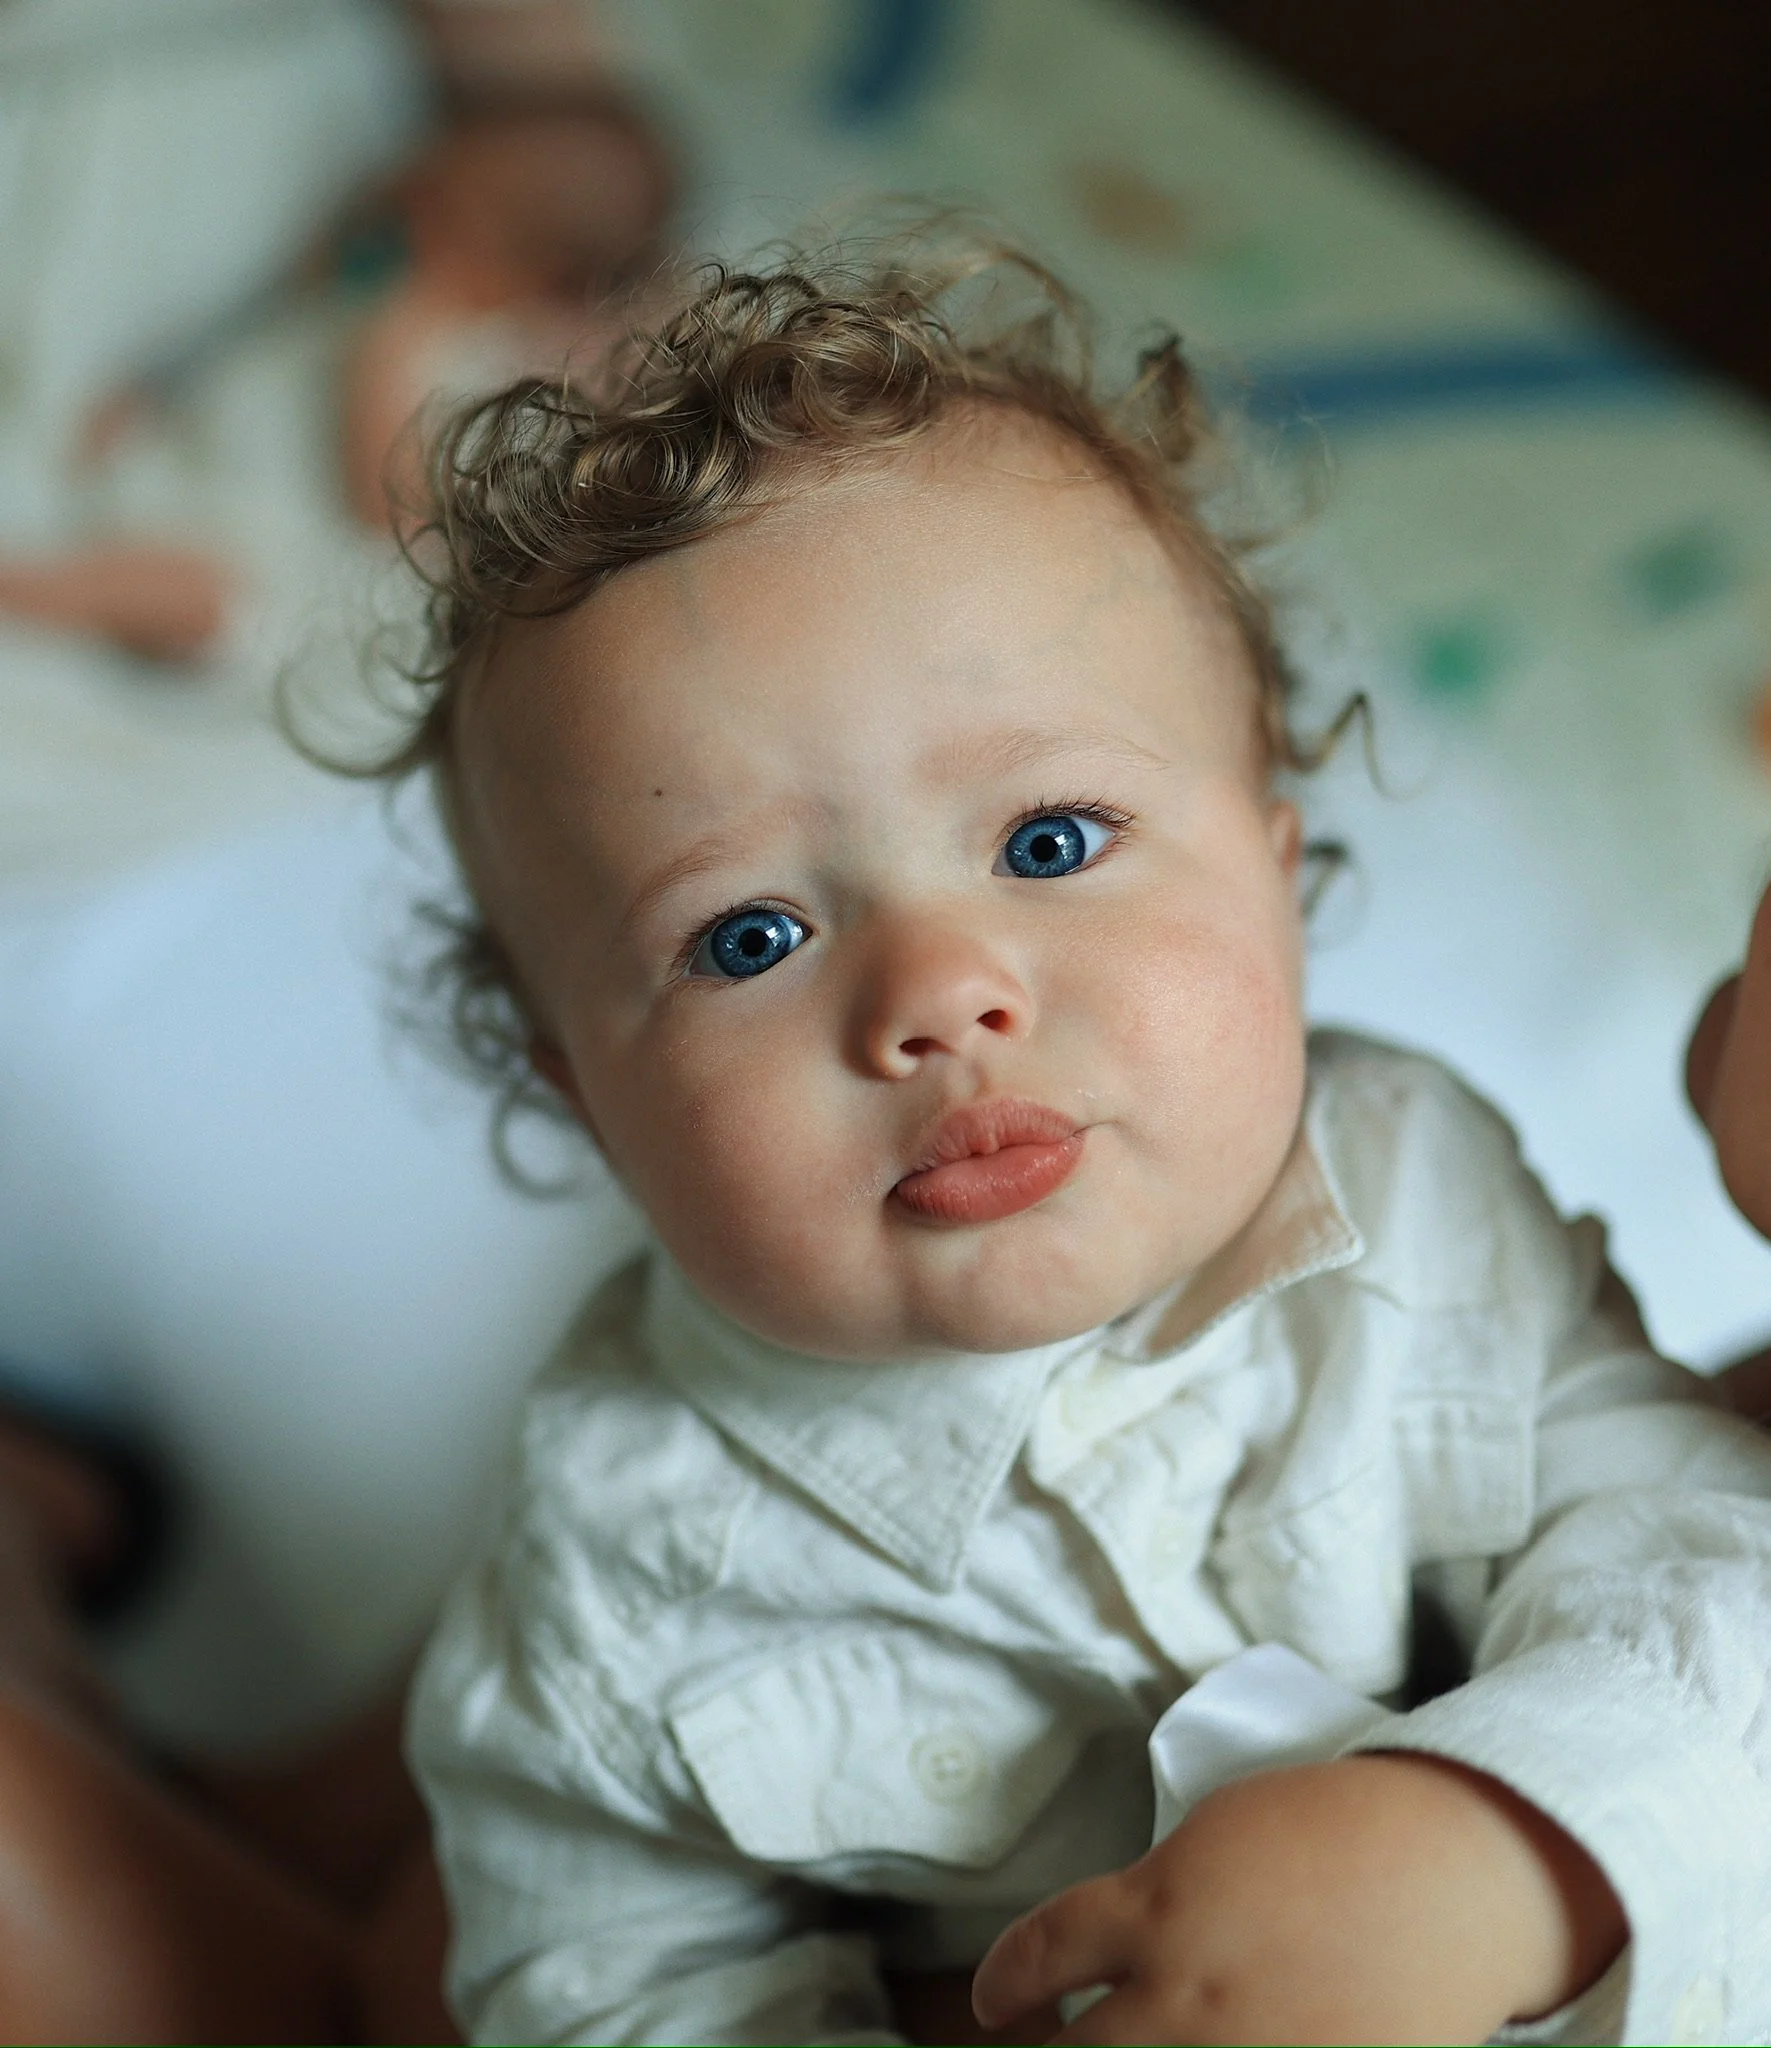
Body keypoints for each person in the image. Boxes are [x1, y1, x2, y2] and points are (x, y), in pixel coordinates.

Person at [369, 237, 1771, 2046]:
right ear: (589, 1104)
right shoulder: (609, 1562)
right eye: (749, 938)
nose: (939, 997)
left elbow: (1699, 1556)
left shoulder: (1417, 1198)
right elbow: (598, 1986)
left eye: (1046, 843)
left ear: (1276, 885)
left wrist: (1513, 1847)